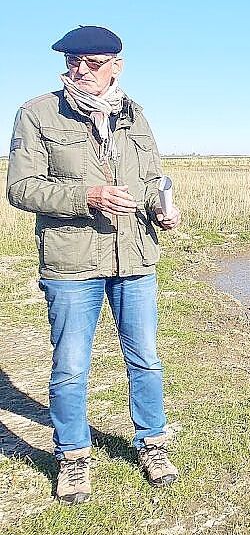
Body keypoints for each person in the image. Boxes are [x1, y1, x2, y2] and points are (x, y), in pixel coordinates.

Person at [6, 26, 182, 504]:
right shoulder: (36, 113)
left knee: (146, 359)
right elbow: (21, 189)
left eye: (93, 62)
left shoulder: (135, 114)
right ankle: (73, 456)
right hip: (71, 262)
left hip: (135, 257)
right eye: (72, 61)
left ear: (116, 66)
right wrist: (87, 197)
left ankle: (153, 443)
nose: (80, 70)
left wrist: (161, 209)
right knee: (70, 366)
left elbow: (150, 180)